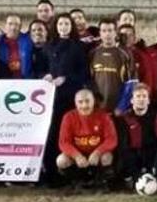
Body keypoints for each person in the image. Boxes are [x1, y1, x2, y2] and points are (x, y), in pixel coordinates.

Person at [42, 13, 91, 186]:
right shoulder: (48, 46)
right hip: (50, 100)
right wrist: (46, 75)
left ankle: (72, 173)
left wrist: (66, 78)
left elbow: (84, 73)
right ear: (56, 26)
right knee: (52, 134)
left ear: (71, 27)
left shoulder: (78, 47)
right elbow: (43, 68)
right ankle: (50, 172)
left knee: (70, 135)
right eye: (60, 24)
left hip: (70, 98)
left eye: (67, 24)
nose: (63, 27)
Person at [56, 89, 118, 190]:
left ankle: (101, 182)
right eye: (80, 102)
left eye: (87, 101)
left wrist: (98, 152)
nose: (84, 106)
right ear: (75, 103)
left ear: (93, 101)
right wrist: (77, 156)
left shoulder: (104, 116)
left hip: (97, 154)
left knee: (107, 157)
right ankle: (77, 182)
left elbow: (112, 140)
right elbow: (64, 142)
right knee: (61, 160)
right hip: (78, 154)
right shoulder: (68, 117)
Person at [116, 84, 157, 188]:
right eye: (138, 96)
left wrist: (156, 164)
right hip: (131, 155)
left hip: (151, 154)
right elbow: (123, 144)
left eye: (144, 96)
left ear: (148, 100)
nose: (141, 99)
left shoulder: (155, 117)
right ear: (132, 100)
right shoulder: (124, 118)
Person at [88, 19, 136, 114]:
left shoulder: (125, 53)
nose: (107, 34)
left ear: (116, 33)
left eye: (110, 30)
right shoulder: (93, 53)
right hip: (97, 107)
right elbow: (89, 80)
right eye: (104, 31)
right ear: (100, 33)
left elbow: (131, 82)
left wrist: (121, 107)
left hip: (117, 109)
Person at [0, 14, 33, 78]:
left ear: (20, 27)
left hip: (26, 81)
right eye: (10, 24)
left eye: (16, 24)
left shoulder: (28, 40)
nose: (13, 27)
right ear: (5, 26)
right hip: (4, 80)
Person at [118, 24, 152, 91]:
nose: (127, 38)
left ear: (134, 37)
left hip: (135, 96)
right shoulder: (114, 53)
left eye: (130, 35)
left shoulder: (141, 55)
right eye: (123, 35)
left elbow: (147, 79)